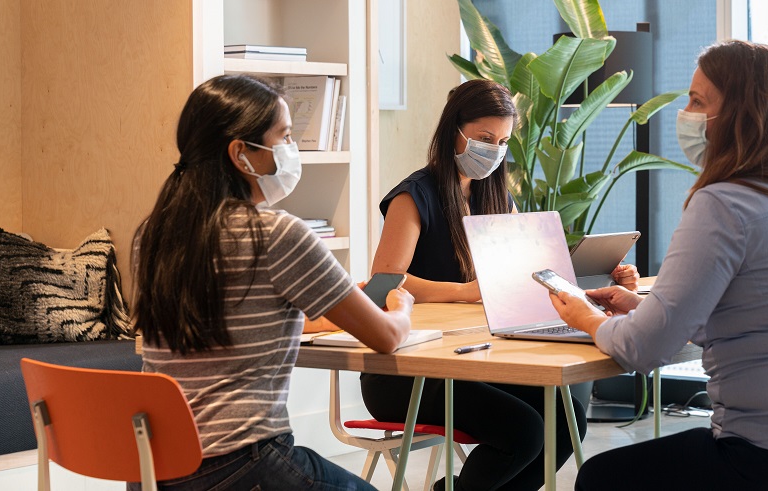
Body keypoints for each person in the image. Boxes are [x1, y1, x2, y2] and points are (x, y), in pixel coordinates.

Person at [552, 40, 768, 491]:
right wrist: (642, 305)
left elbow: (643, 350)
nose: (686, 112)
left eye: (698, 101)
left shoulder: (724, 203)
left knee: (600, 477)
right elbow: (755, 311)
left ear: (740, 113)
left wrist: (588, 319)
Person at [131, 74, 414, 491]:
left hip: (155, 469)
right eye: (283, 138)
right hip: (240, 465)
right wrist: (401, 308)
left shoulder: (153, 233)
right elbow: (387, 337)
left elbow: (233, 322)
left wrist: (338, 304)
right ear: (241, 154)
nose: (289, 152)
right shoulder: (276, 233)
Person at [361, 78, 632, 491]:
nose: (494, 150)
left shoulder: (496, 195)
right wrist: (465, 291)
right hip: (407, 372)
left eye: (503, 141)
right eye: (485, 138)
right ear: (454, 129)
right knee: (522, 432)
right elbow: (385, 283)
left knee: (565, 422)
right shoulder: (413, 196)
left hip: (469, 360)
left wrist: (596, 281)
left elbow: (524, 268)